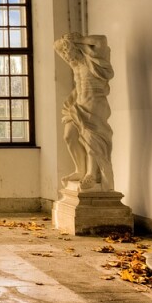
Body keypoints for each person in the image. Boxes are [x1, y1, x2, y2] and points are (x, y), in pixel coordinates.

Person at [54, 32, 115, 191]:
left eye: (68, 52)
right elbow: (56, 46)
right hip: (78, 102)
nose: (66, 55)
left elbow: (102, 39)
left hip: (95, 102)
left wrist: (79, 40)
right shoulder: (75, 63)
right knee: (69, 136)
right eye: (66, 53)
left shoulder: (94, 59)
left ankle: (91, 174)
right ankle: (79, 170)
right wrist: (66, 42)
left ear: (77, 47)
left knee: (91, 139)